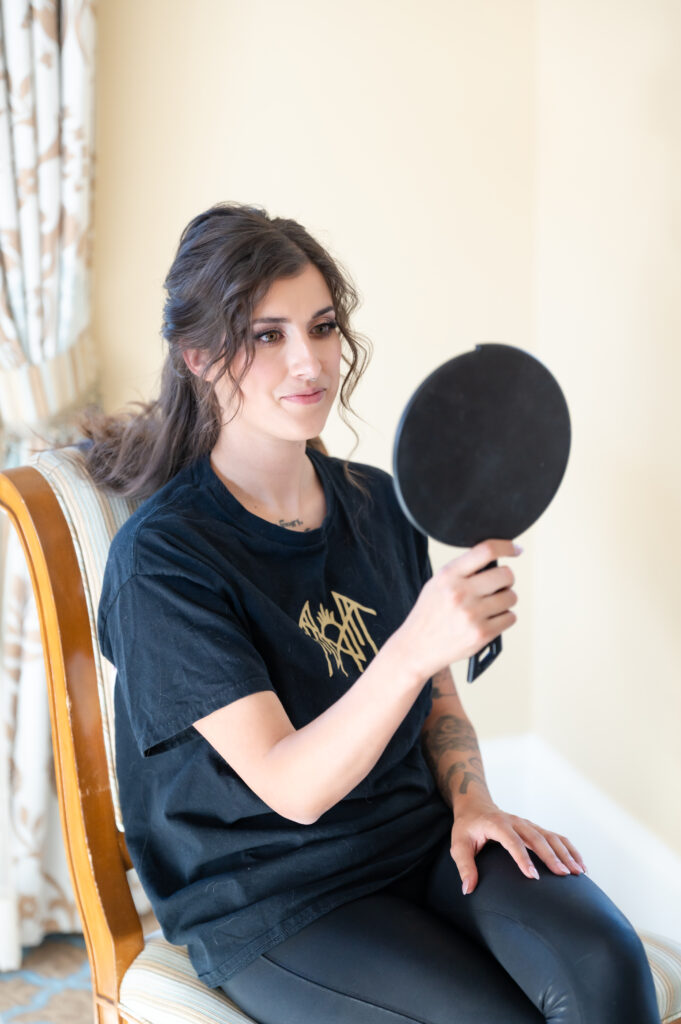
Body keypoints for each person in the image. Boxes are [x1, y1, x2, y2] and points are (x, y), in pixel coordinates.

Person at [92, 203, 659, 1024]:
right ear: (199, 355)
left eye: (322, 327)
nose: (309, 360)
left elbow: (437, 699)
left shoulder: (380, 503)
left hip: (418, 836)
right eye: (266, 335)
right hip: (275, 893)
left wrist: (472, 802)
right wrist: (415, 643)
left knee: (606, 968)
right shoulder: (164, 561)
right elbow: (293, 788)